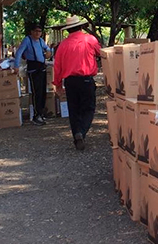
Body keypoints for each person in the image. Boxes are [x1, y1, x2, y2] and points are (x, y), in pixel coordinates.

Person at [53, 16, 101, 151]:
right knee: (88, 108)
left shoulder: (63, 45)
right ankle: (82, 132)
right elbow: (101, 53)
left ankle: (76, 134)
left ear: (68, 30)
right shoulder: (90, 40)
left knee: (73, 110)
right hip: (86, 79)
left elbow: (57, 66)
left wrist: (57, 84)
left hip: (70, 82)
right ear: (81, 27)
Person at [15, 24, 52, 125]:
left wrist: (49, 52)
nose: (37, 33)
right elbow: (19, 53)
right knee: (37, 92)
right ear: (31, 32)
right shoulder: (27, 40)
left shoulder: (41, 41)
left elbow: (48, 49)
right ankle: (36, 116)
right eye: (36, 31)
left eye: (39, 31)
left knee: (43, 91)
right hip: (33, 68)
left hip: (42, 67)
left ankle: (41, 113)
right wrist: (16, 66)